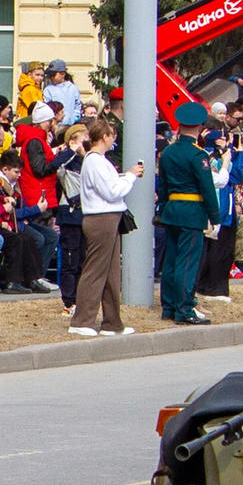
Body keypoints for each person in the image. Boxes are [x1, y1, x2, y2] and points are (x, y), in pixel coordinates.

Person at [72, 121, 141, 337]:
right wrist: (130, 176)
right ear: (104, 136)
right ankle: (82, 320)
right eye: (112, 136)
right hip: (101, 218)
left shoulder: (99, 161)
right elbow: (111, 192)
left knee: (111, 272)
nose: (114, 140)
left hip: (109, 218)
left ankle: (112, 322)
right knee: (95, 270)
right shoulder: (95, 162)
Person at [155, 101, 221, 326]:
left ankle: (169, 306)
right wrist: (215, 215)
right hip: (192, 212)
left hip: (172, 210)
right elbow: (207, 187)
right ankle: (184, 308)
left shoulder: (168, 152)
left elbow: (163, 185)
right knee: (187, 262)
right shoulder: (197, 154)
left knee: (171, 261)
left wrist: (163, 208)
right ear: (200, 128)